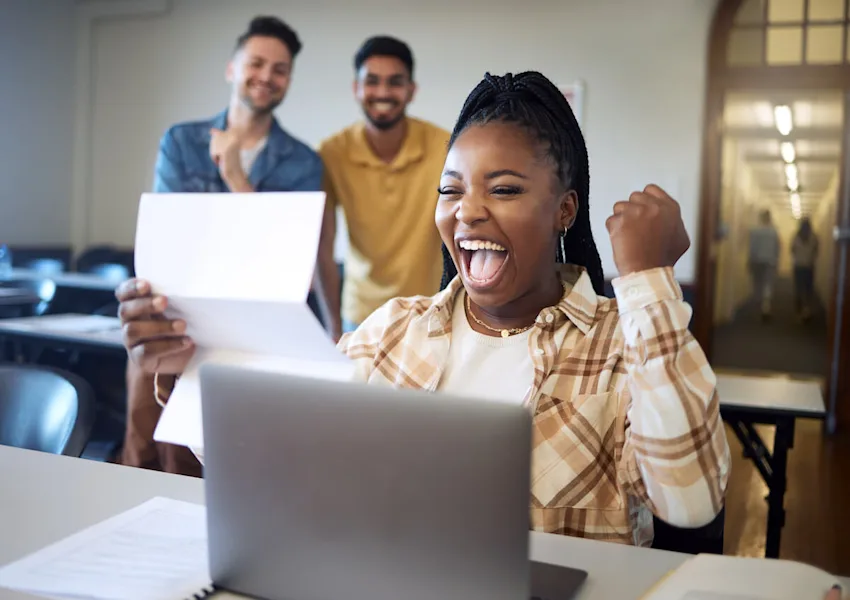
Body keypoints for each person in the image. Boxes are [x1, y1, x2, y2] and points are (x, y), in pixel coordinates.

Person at [115, 71, 730, 546]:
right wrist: (186, 362)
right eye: (451, 189)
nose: (467, 210)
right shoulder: (392, 331)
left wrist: (648, 280)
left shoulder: (622, 344)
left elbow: (691, 502)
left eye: (505, 189)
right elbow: (275, 452)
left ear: (565, 210)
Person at [122, 15, 323, 478]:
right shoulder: (181, 141)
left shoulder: (303, 163)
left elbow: (281, 260)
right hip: (176, 307)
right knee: (146, 428)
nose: (266, 77)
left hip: (255, 322)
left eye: (279, 69)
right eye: (256, 63)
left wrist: (235, 176)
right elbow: (170, 240)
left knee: (215, 465)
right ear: (232, 68)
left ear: (288, 80)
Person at [313, 36, 450, 341]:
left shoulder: (445, 146)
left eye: (395, 82)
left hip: (428, 311)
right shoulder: (332, 152)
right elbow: (322, 244)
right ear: (356, 88)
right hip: (359, 316)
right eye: (372, 81)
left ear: (411, 90)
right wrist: (332, 328)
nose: (383, 92)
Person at [748, 209, 780, 319]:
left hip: (757, 260)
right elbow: (777, 248)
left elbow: (752, 248)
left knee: (758, 283)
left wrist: (750, 260)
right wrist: (776, 261)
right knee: (768, 284)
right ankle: (766, 306)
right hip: (770, 261)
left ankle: (759, 303)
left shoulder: (755, 231)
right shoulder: (774, 232)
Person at [791, 217, 819, 322]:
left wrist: (798, 256)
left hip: (798, 266)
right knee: (808, 289)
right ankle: (806, 311)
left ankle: (799, 311)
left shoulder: (796, 237)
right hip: (809, 266)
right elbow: (816, 250)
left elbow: (792, 250)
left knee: (799, 288)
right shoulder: (814, 237)